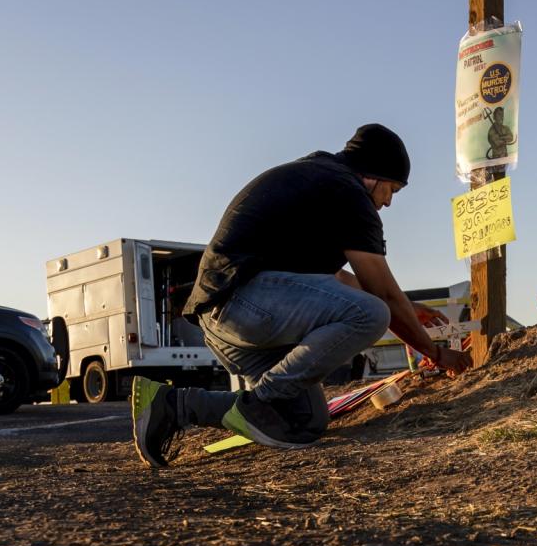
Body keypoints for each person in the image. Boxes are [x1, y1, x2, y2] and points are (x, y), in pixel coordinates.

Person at [131, 123, 472, 468]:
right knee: (371, 314)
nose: (387, 202)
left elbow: (337, 279)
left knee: (303, 422)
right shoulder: (348, 192)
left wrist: (409, 308)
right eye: (392, 189)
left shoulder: (319, 182)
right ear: (373, 175)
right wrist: (434, 352)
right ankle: (259, 403)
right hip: (243, 303)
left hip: (230, 321)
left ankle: (172, 404)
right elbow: (379, 292)